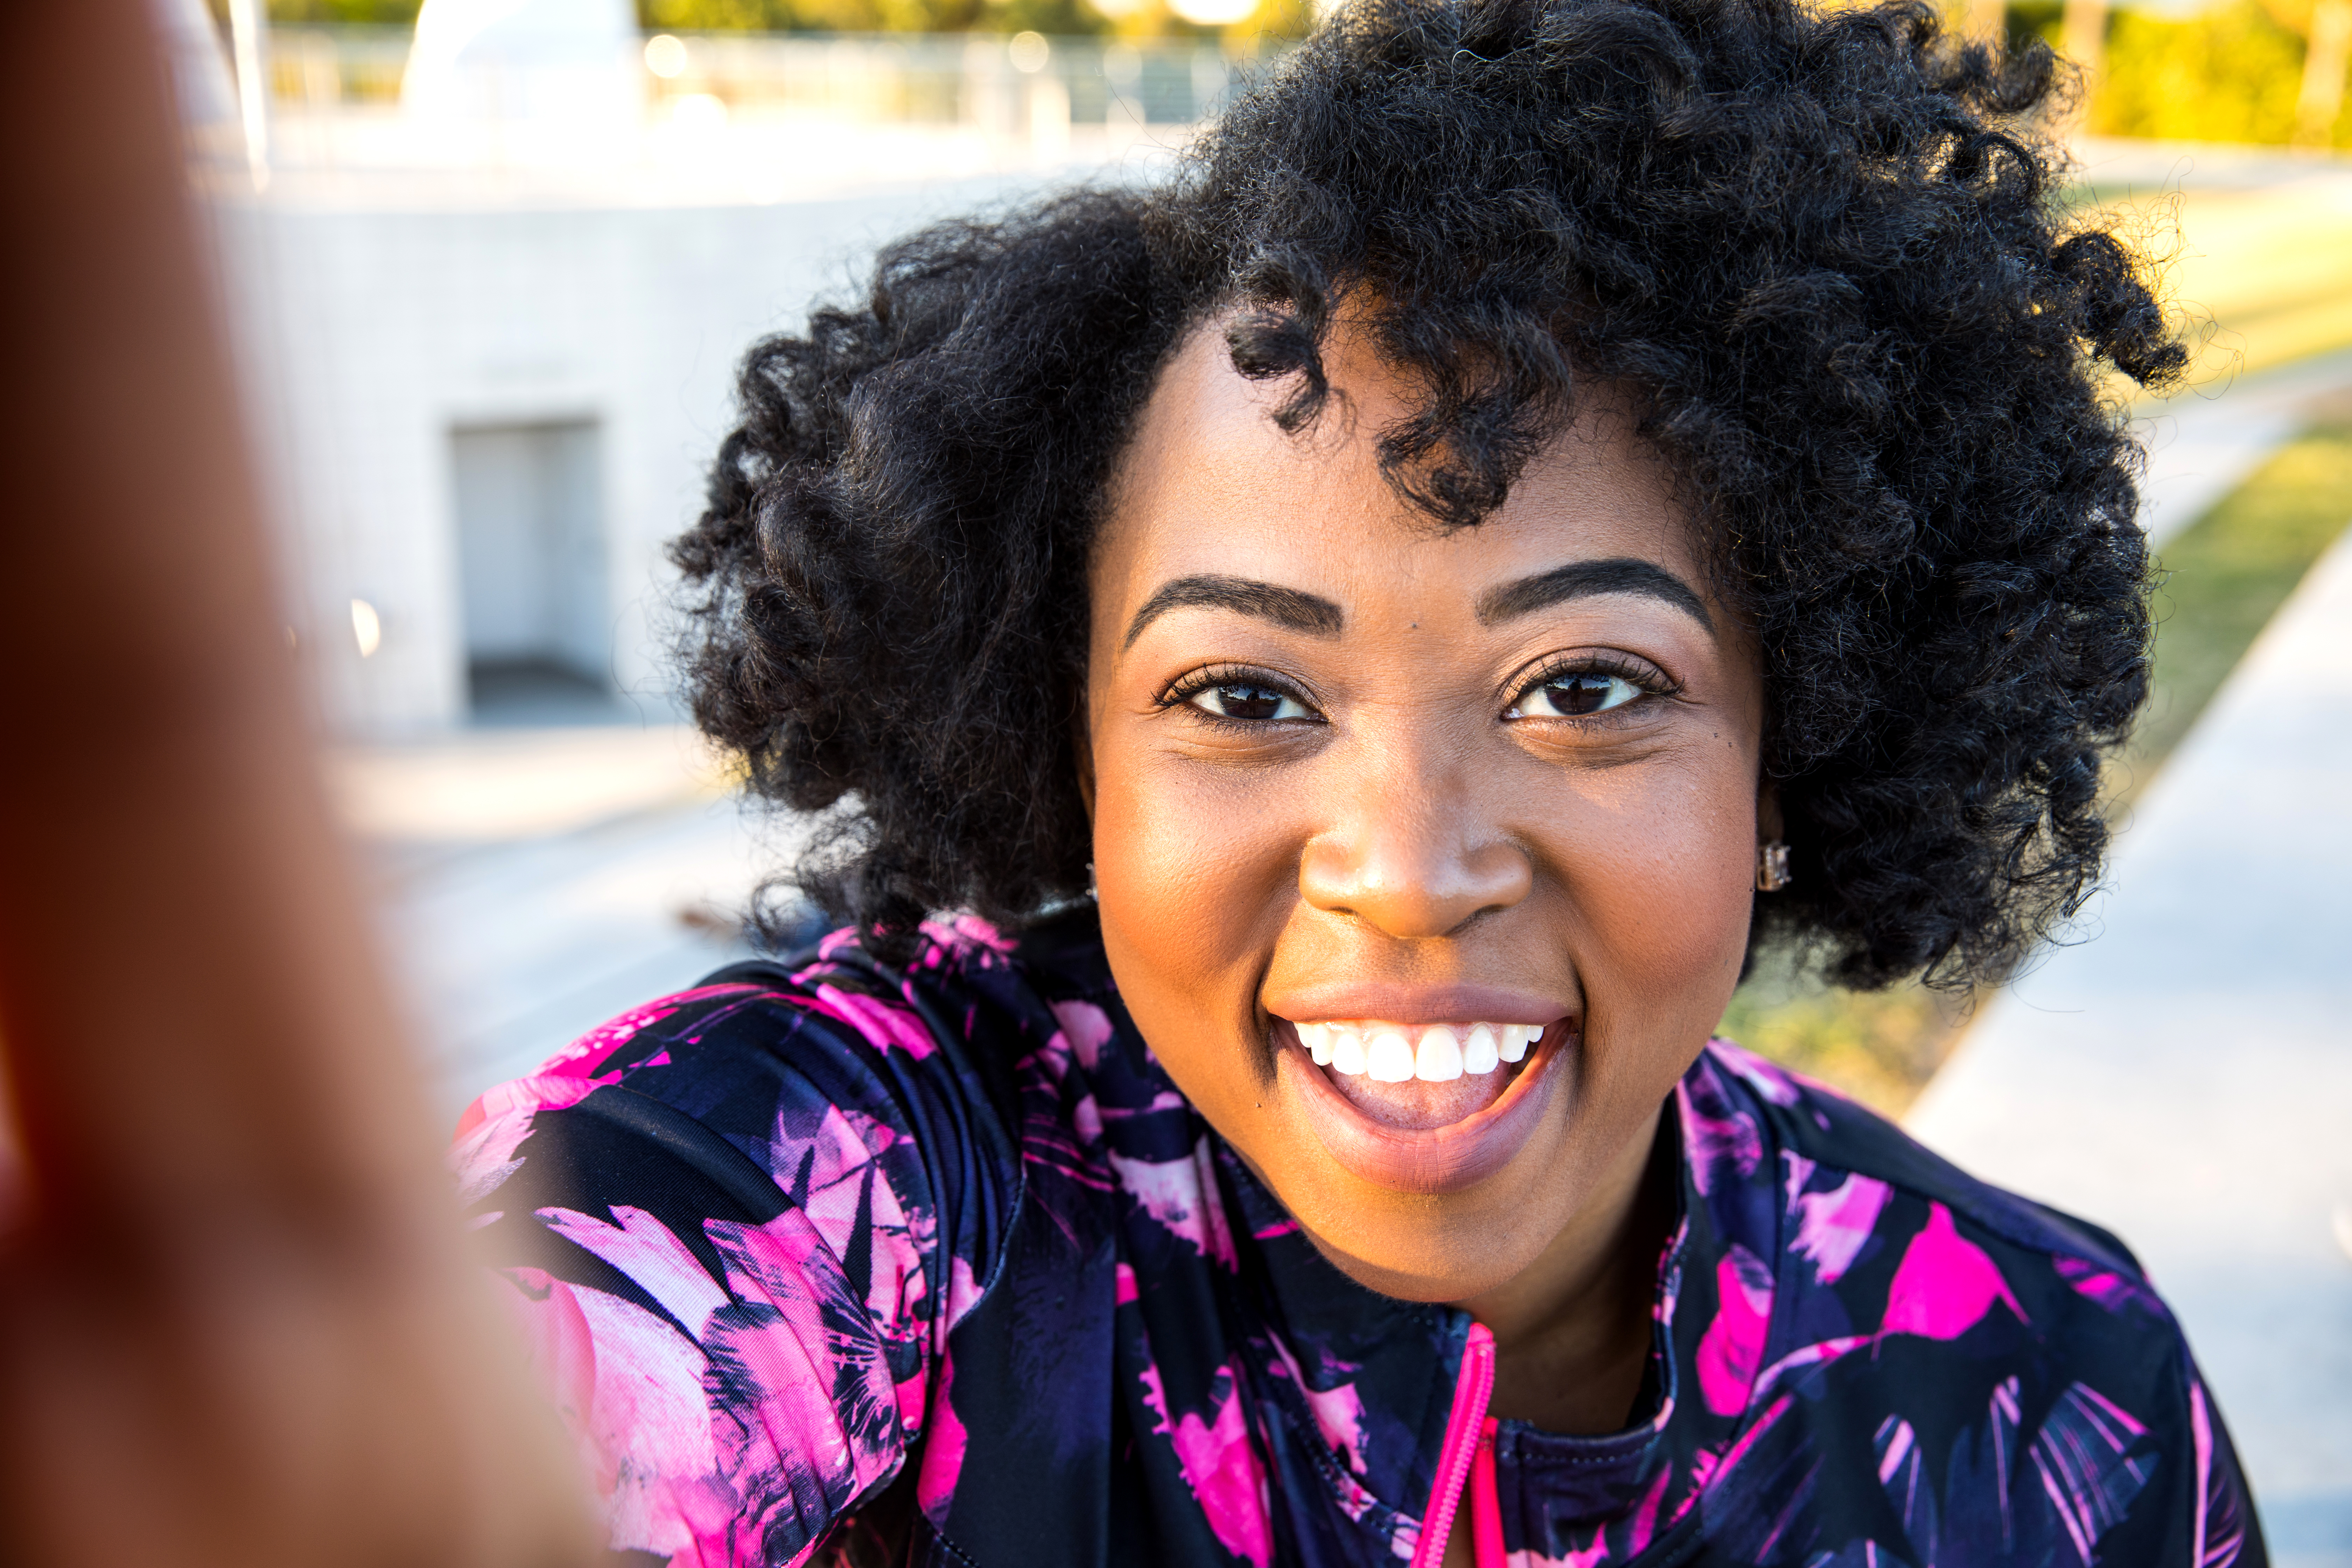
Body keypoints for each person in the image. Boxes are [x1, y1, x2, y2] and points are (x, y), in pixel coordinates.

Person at [457, 0, 2265, 1562]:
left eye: (1586, 689)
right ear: (1074, 753)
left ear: (1787, 753)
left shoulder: (2055, 1403)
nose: (1406, 870)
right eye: (1242, 694)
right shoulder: (877, 1199)